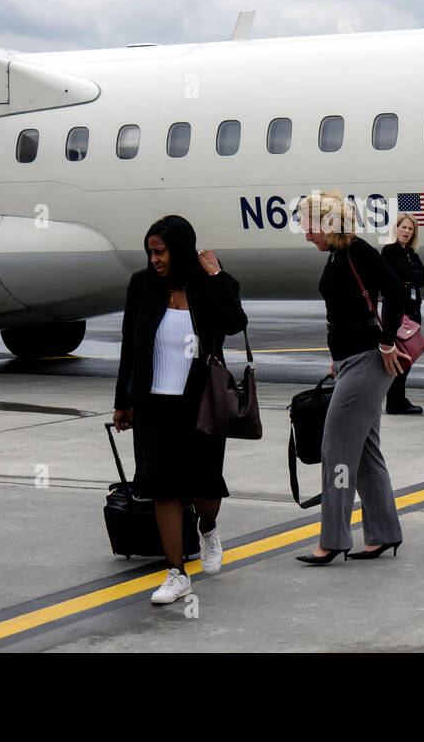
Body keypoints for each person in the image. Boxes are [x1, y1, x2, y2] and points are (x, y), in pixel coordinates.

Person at [113, 214, 247, 605]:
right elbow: (128, 344)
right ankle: (175, 572)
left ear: (182, 249)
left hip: (200, 401)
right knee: (162, 488)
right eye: (150, 252)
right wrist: (123, 400)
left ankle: (208, 526)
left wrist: (218, 274)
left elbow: (236, 322)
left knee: (204, 486)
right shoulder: (141, 285)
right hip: (153, 403)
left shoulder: (209, 284)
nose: (154, 259)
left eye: (161, 252)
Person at [296, 190, 403, 563]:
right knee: (365, 454)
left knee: (336, 452)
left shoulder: (358, 251)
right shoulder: (340, 253)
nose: (306, 235)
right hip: (351, 363)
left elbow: (396, 292)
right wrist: (336, 360)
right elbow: (346, 312)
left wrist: (388, 342)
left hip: (367, 363)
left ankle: (334, 539)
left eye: (308, 227)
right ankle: (384, 533)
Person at [381, 213, 424, 415]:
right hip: (397, 312)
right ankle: (395, 401)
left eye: (410, 229)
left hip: (412, 311)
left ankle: (398, 399)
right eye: (404, 227)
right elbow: (397, 273)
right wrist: (410, 276)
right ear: (397, 228)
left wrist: (409, 277)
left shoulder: (411, 253)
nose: (407, 232)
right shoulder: (390, 250)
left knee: (407, 357)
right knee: (399, 356)